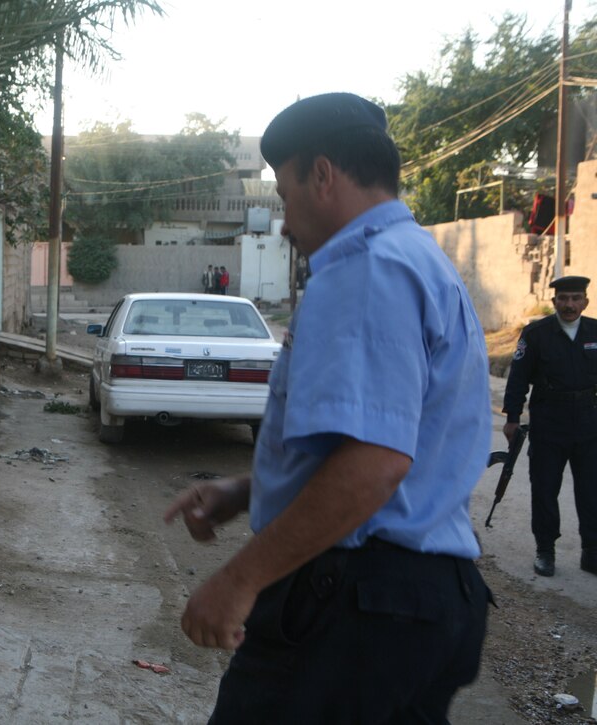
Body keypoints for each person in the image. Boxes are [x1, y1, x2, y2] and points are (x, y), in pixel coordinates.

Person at [163, 93, 492, 723]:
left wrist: (240, 580)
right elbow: (386, 448)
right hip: (420, 602)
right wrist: (248, 490)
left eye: (284, 195)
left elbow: (375, 464)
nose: (283, 221)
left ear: (323, 175)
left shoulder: (365, 268)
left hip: (354, 606)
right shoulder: (423, 261)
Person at [503, 275, 597, 577]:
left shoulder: (595, 330)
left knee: (591, 491)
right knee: (544, 489)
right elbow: (517, 378)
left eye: (575, 298)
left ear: (586, 301)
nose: (569, 304)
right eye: (563, 299)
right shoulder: (536, 333)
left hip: (589, 424)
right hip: (548, 422)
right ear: (553, 300)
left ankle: (591, 552)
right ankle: (545, 550)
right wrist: (512, 418)